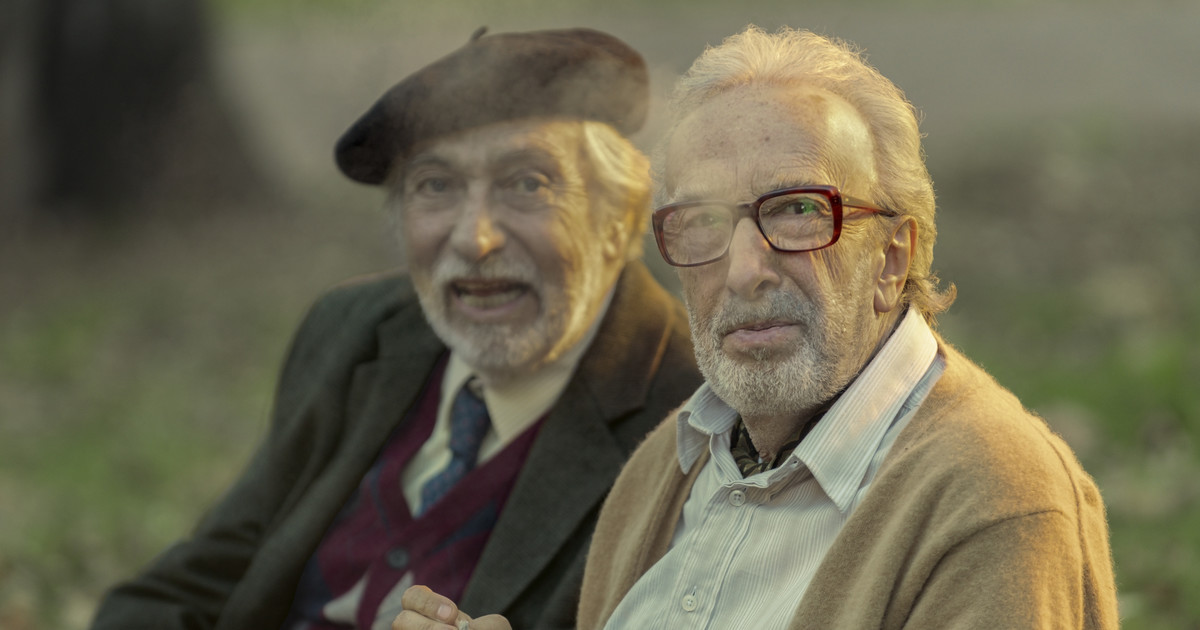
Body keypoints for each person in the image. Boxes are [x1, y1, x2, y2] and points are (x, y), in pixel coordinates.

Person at [397, 25, 1119, 630]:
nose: (744, 270)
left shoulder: (995, 498)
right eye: (703, 221)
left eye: (797, 210)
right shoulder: (666, 464)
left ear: (892, 257)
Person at [89, 27, 701, 630]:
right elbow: (195, 583)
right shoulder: (352, 330)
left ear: (618, 217)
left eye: (527, 183)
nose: (475, 239)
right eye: (436, 186)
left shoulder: (691, 417)